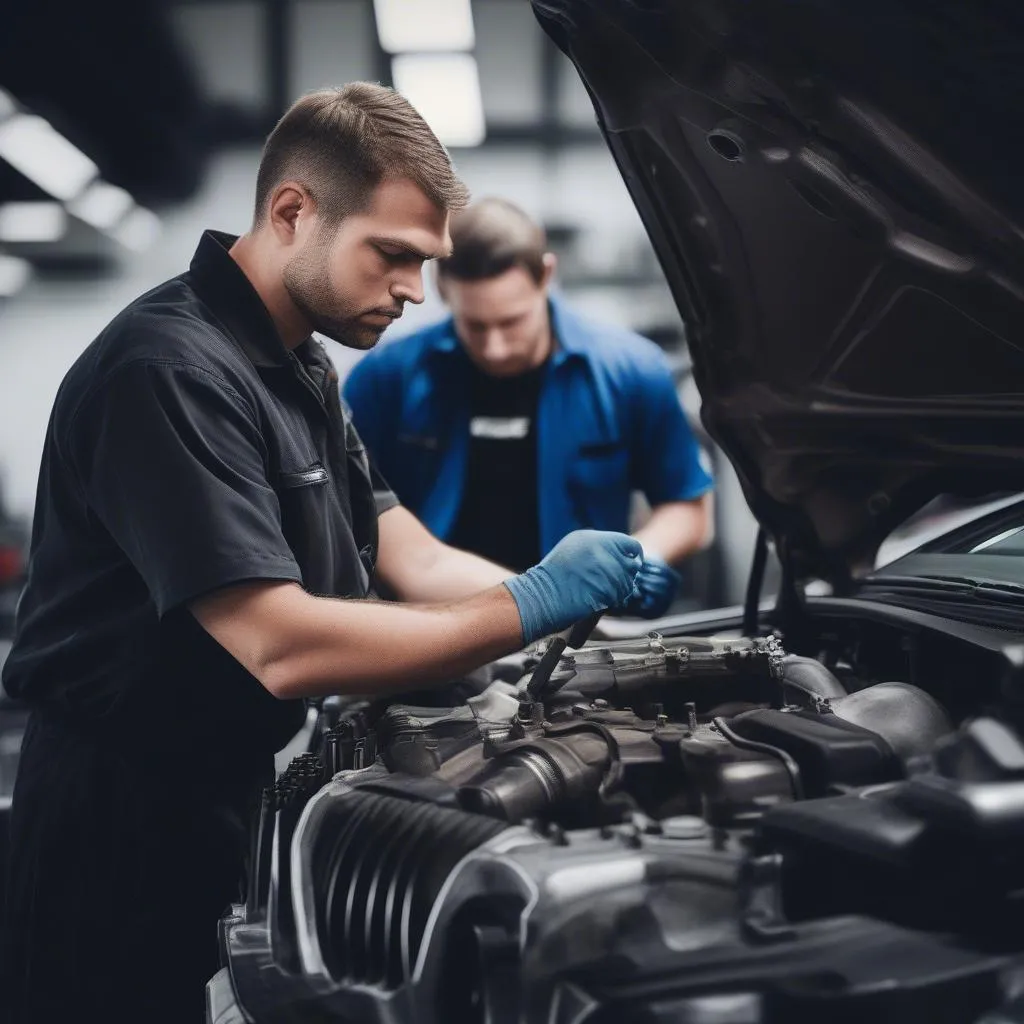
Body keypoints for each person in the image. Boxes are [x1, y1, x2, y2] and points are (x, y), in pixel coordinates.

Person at [0, 85, 650, 1024]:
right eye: (393, 256)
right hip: (117, 823)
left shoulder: (300, 363)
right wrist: (533, 602)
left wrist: (602, 613)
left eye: (425, 264)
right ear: (292, 211)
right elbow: (281, 643)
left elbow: (405, 552)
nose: (413, 292)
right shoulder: (168, 370)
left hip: (224, 791)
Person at [342, 198, 714, 618]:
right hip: (435, 628)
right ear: (443, 289)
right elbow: (349, 516)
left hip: (584, 630)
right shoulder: (387, 378)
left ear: (547, 277)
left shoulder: (631, 371)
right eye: (476, 326)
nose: (495, 348)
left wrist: (643, 558)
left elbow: (688, 507)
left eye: (512, 322)